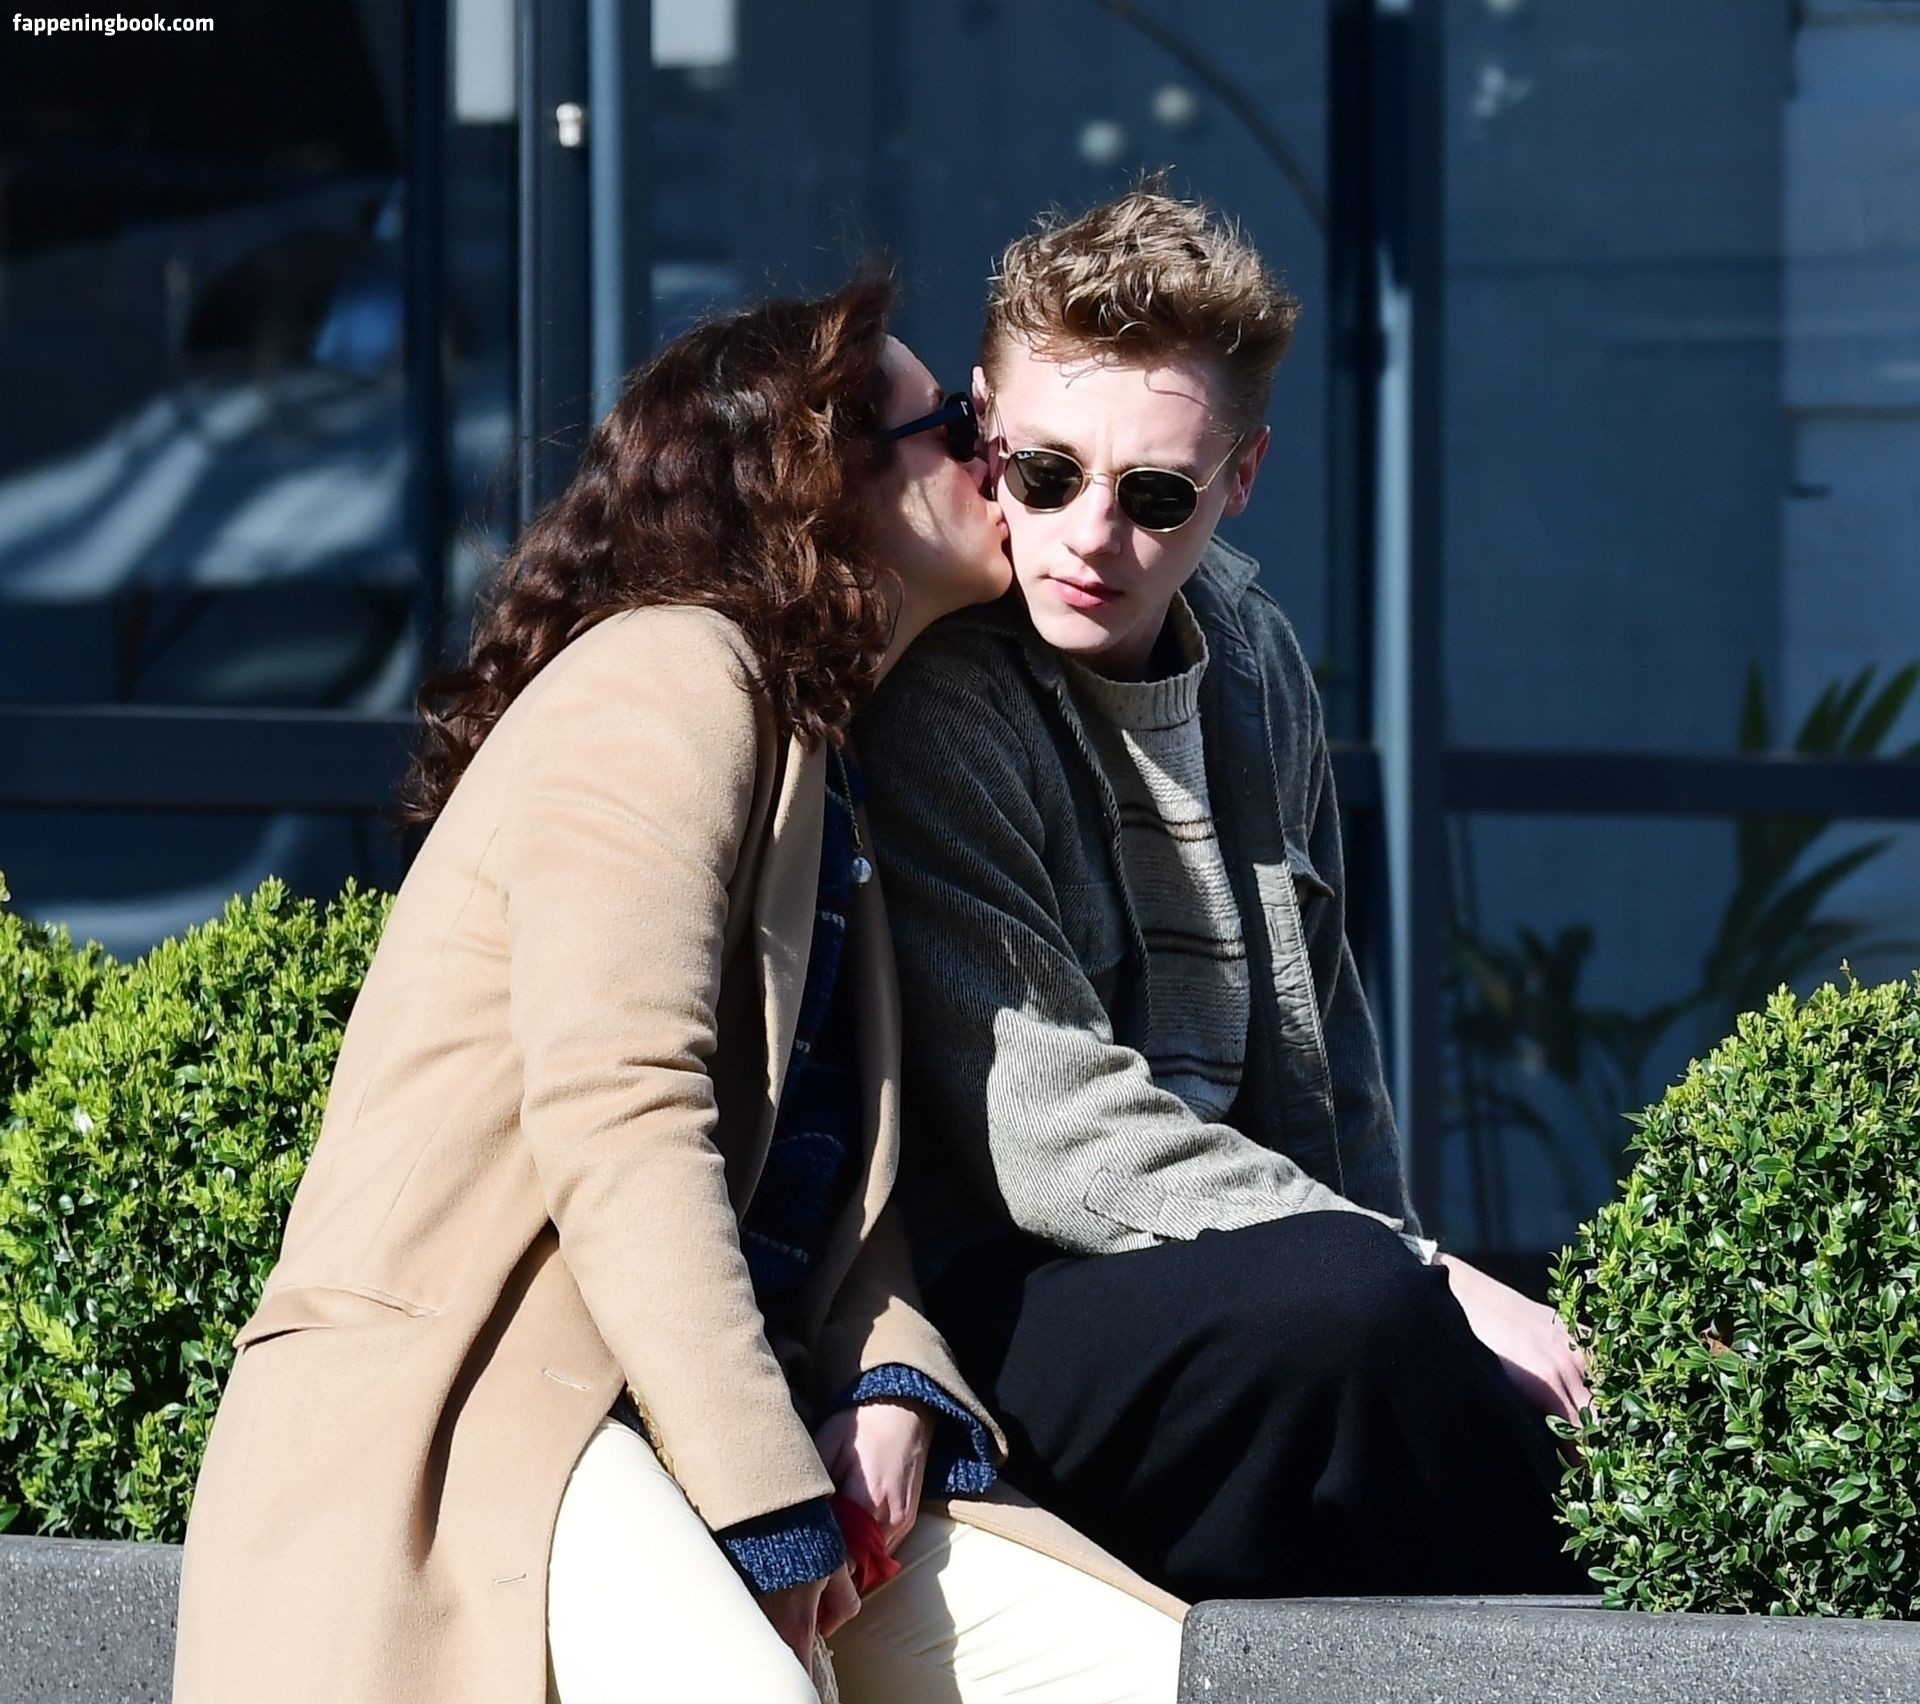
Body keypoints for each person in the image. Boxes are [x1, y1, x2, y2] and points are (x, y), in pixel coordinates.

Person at [172, 276, 1182, 1704]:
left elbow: (838, 1194)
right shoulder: (670, 673)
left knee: (1151, 1678)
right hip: (486, 1427)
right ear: (826, 478)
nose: (998, 456)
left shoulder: (823, 761)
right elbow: (622, 1111)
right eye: (958, 428)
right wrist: (769, 1507)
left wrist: (894, 1383)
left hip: (698, 1429)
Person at [859, 187, 1592, 1603]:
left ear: (1240, 478)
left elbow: (1330, 1055)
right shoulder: (943, 694)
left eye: (1154, 497)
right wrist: (1424, 1276)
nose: (1090, 535)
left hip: (1258, 1285)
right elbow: (1049, 1136)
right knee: (1361, 1311)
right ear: (982, 427)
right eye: (1044, 473)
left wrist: (1409, 1280)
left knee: (1424, 1349)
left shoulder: (1251, 661)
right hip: (1002, 1294)